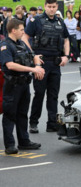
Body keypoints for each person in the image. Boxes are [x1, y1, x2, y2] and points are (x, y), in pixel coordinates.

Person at [22, 0, 70, 133]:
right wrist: (33, 55)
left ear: (57, 7)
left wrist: (66, 56)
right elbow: (25, 38)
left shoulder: (60, 21)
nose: (52, 9)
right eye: (49, 6)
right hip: (41, 63)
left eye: (54, 6)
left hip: (55, 63)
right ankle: (33, 123)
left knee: (53, 95)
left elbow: (66, 40)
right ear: (45, 6)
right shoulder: (36, 20)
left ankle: (52, 123)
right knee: (39, 94)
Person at [1, 19, 45, 154]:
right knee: (10, 115)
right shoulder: (5, 46)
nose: (23, 32)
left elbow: (33, 56)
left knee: (22, 114)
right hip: (12, 85)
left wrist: (37, 63)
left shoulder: (21, 43)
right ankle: (10, 145)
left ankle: (24, 141)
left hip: (24, 84)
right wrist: (32, 70)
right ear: (13, 30)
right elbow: (10, 65)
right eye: (21, 29)